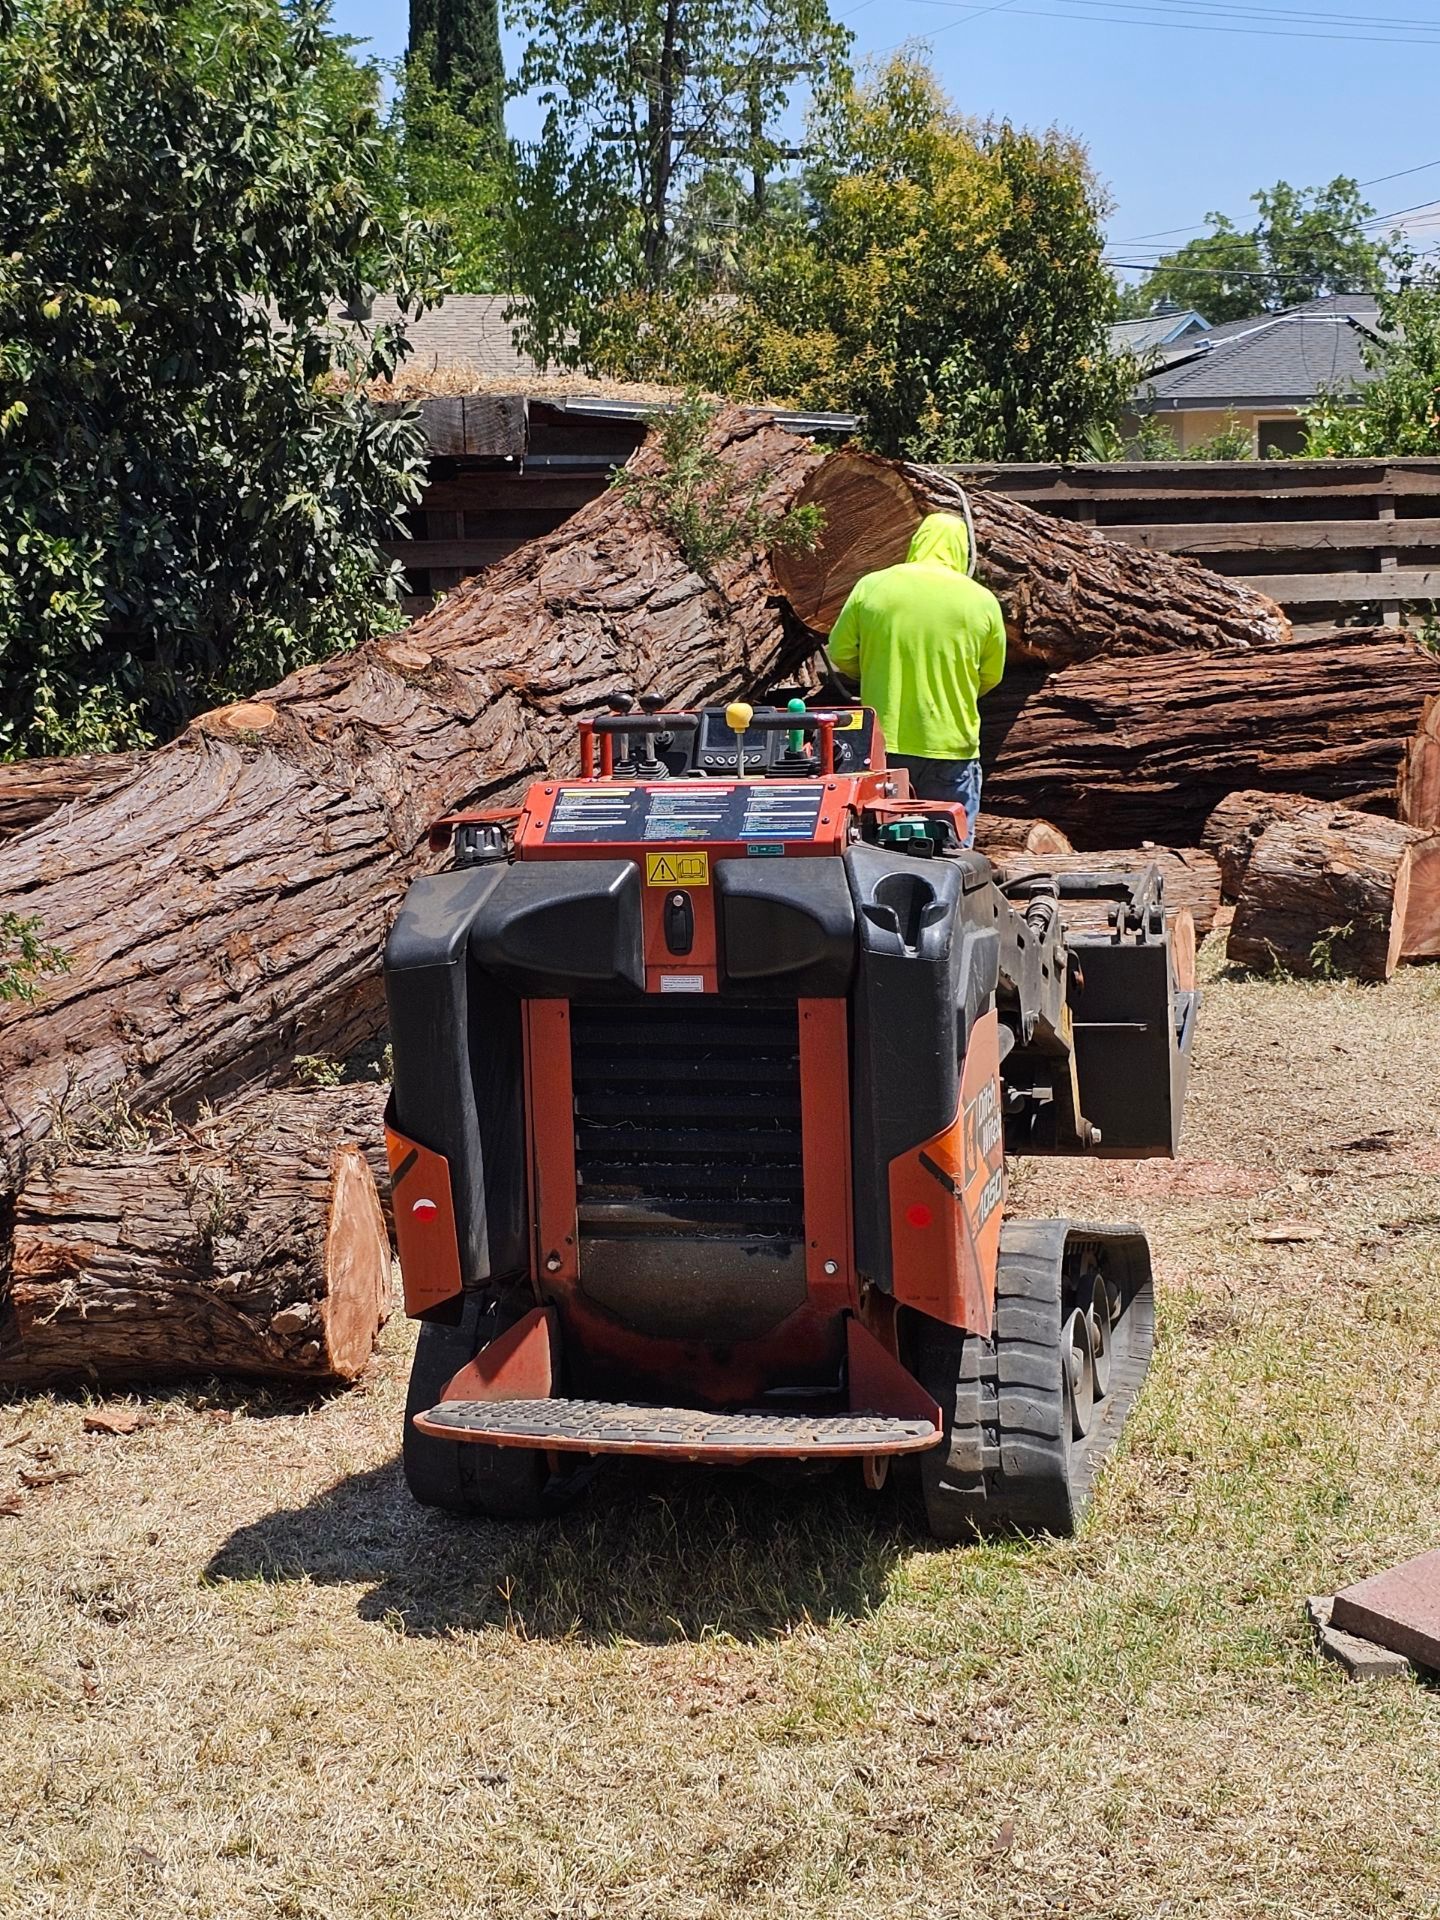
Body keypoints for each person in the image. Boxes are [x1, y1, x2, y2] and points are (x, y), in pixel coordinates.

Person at [826, 510, 1005, 849]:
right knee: (953, 852)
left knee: (877, 848)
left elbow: (840, 652)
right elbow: (991, 675)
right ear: (962, 551)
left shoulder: (873, 586)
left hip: (884, 744)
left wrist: (878, 673)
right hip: (952, 745)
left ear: (916, 543)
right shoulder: (981, 600)